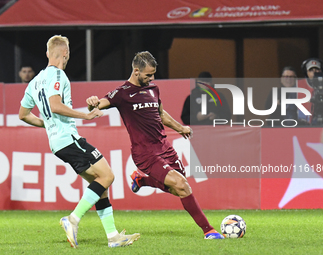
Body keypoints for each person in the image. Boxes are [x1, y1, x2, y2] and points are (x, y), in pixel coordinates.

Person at [86, 51, 225, 239]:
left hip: (164, 147)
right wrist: (92, 102)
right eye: (148, 74)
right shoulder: (122, 93)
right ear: (136, 71)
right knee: (181, 185)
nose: (152, 78)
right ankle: (209, 230)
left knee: (178, 188)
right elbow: (99, 104)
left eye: (153, 74)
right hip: (145, 153)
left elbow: (159, 113)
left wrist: (179, 128)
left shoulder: (153, 89)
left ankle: (141, 180)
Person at [18, 35, 140, 248]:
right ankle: (72, 219)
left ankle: (112, 237)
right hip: (69, 138)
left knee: (100, 185)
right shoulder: (58, 75)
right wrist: (86, 116)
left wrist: (48, 125)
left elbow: (23, 114)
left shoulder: (35, 81)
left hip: (57, 143)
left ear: (48, 53)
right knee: (108, 175)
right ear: (65, 53)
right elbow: (55, 105)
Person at [297, 58, 323, 126]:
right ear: (306, 72)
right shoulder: (298, 85)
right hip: (303, 126)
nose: (314, 72)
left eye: (317, 69)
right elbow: (290, 110)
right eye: (311, 70)